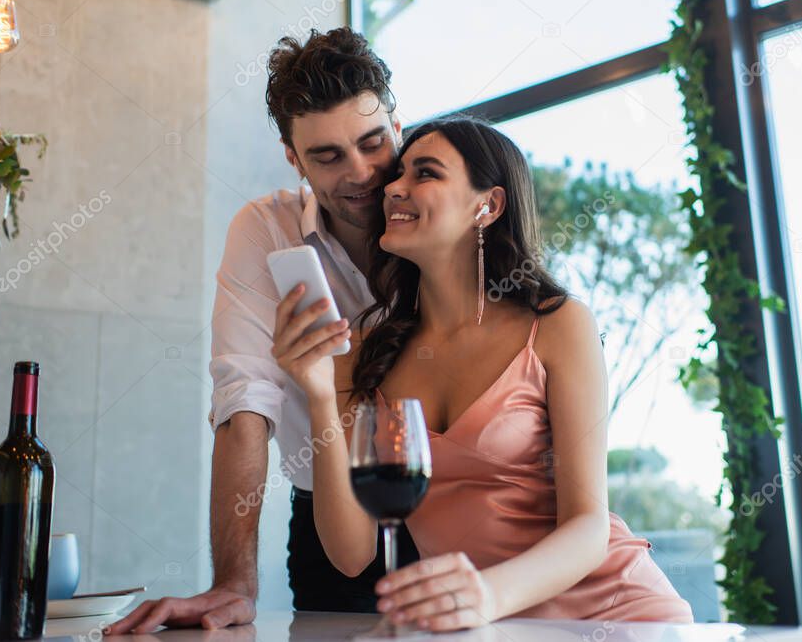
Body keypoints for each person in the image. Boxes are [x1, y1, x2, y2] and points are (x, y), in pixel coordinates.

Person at [271, 116, 694, 632]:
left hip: (617, 615)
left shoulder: (557, 324)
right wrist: (317, 394)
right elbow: (351, 555)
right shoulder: (362, 354)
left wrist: (487, 596)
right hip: (492, 627)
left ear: (488, 206)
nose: (394, 189)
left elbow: (588, 526)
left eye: (424, 173)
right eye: (398, 174)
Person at [105, 28, 418, 635]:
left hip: (452, 501)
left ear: (398, 127)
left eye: (373, 142)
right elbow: (244, 400)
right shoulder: (264, 230)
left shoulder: (437, 207)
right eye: (326, 156)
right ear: (293, 158)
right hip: (331, 523)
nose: (360, 173)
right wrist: (234, 584)